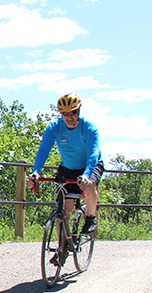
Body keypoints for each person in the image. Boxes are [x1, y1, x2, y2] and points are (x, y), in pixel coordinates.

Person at [26, 93, 104, 234]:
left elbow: (93, 154)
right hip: (68, 167)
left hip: (90, 165)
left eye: (73, 113)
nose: (69, 117)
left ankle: (91, 217)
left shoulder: (89, 128)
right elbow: (43, 150)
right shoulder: (54, 128)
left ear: (79, 111)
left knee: (89, 185)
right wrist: (36, 171)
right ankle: (61, 249)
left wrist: (86, 175)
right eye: (65, 113)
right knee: (63, 212)